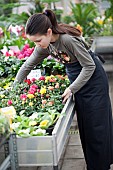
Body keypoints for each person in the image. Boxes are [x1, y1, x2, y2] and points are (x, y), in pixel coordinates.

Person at [14, 9, 113, 170]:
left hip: (93, 82)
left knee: (97, 128)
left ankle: (100, 166)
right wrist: (15, 86)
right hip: (79, 81)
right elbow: (27, 65)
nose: (37, 45)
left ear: (48, 32)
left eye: (38, 40)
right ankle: (94, 165)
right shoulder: (44, 46)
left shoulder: (67, 40)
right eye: (34, 42)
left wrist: (72, 88)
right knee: (86, 127)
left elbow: (90, 66)